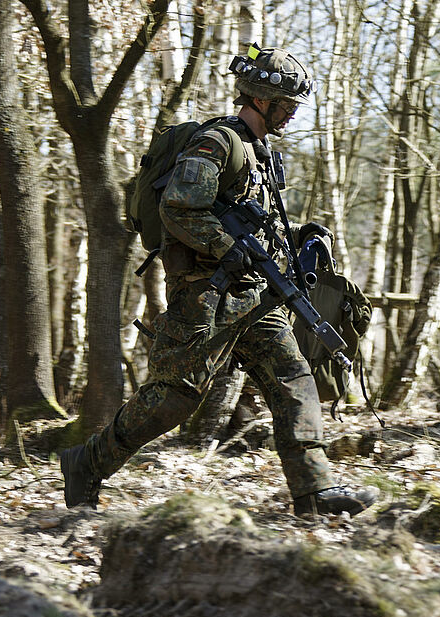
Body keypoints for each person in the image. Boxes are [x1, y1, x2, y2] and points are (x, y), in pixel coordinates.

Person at [60, 45, 378, 516]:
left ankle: (314, 491)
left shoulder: (261, 152)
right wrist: (232, 250)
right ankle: (86, 462)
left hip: (253, 295)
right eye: (286, 106)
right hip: (205, 295)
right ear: (261, 100)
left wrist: (297, 236)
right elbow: (180, 208)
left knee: (294, 378)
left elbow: (253, 223)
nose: (291, 115)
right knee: (173, 398)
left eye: (294, 107)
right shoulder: (219, 143)